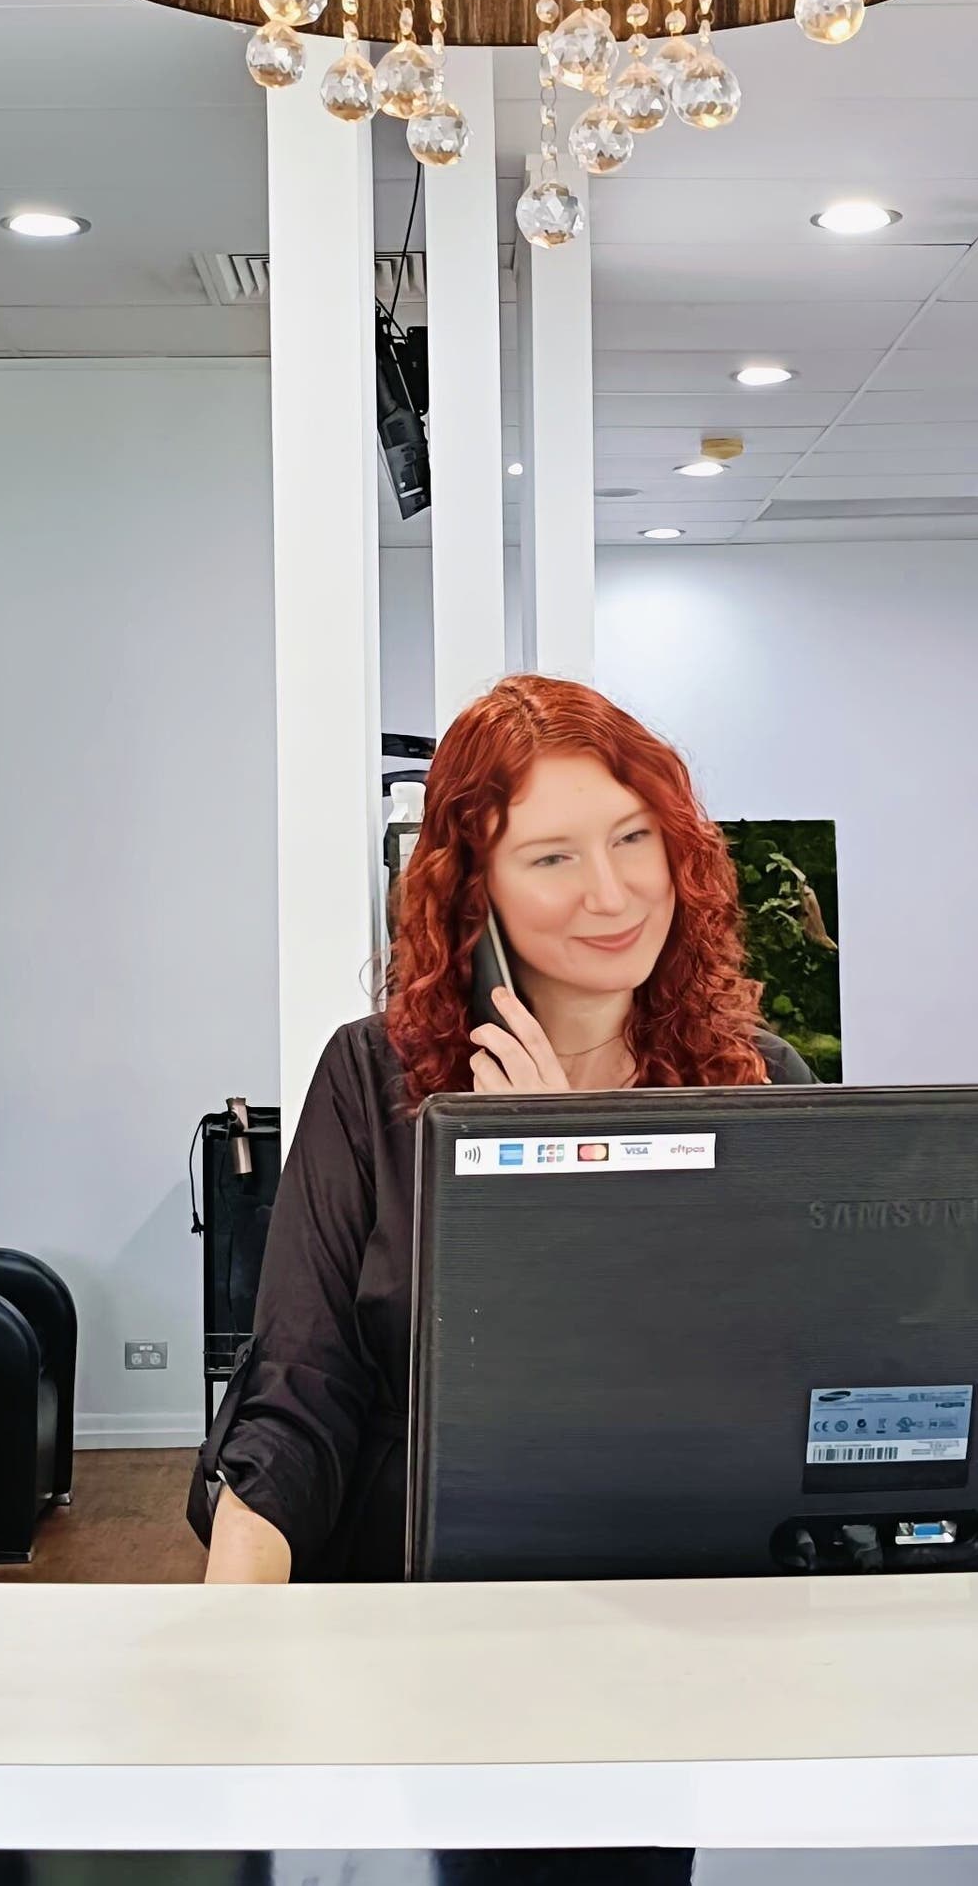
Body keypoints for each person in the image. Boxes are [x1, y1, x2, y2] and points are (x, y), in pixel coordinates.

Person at [198, 674, 813, 1585]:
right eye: (553, 858)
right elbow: (301, 1389)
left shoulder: (760, 1081)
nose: (612, 894)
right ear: (474, 893)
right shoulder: (374, 1079)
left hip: (680, 1588)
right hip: (424, 1585)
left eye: (633, 838)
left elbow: (760, 1395)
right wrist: (230, 1630)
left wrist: (553, 1187)